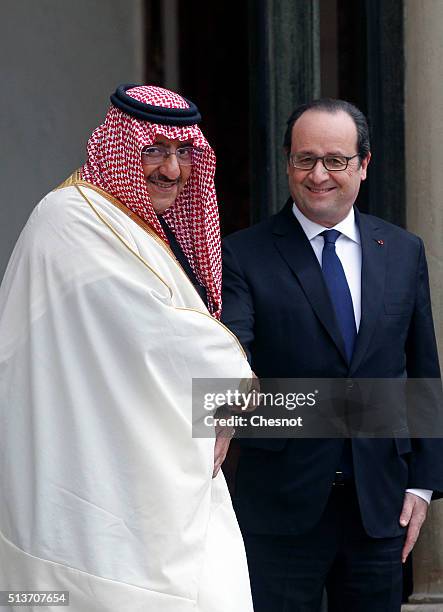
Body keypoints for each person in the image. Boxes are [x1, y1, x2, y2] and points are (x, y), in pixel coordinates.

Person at [0, 85, 253, 611]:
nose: (172, 170)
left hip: (151, 465)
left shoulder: (135, 224)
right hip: (87, 466)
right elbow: (156, 331)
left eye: (184, 152)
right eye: (154, 150)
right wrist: (233, 382)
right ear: (118, 146)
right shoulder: (71, 220)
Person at [221, 98, 443, 612]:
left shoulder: (403, 250)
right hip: (280, 506)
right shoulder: (241, 255)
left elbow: (422, 371)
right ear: (288, 162)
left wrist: (424, 484)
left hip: (380, 508)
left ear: (364, 165)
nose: (318, 174)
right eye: (305, 159)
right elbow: (230, 369)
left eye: (335, 160)